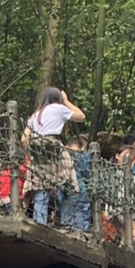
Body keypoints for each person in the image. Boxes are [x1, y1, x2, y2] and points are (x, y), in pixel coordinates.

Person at [22, 86, 84, 226]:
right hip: (57, 154)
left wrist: (30, 153)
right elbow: (81, 116)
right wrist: (66, 101)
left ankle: (39, 225)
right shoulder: (58, 108)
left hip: (39, 157)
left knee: (40, 191)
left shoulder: (35, 115)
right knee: (69, 186)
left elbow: (24, 139)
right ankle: (66, 223)